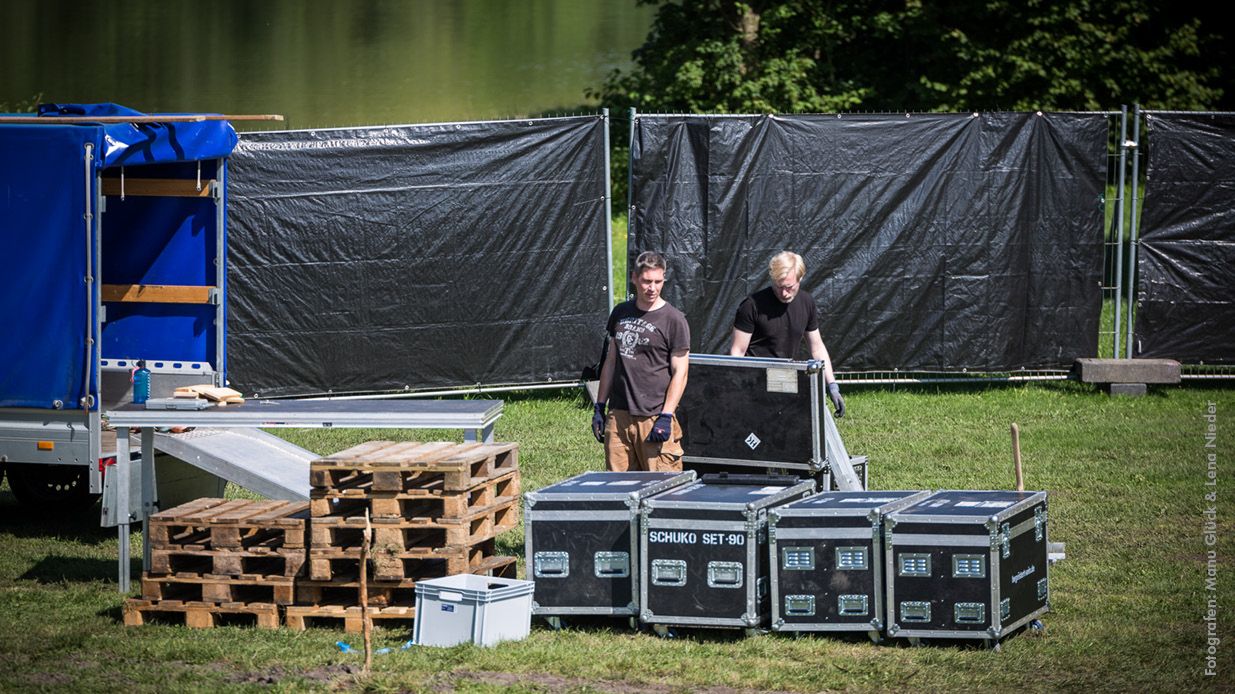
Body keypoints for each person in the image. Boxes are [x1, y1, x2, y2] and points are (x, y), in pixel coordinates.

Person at [591, 251, 690, 471]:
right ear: (634, 278)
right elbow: (611, 361)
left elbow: (681, 372)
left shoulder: (674, 319)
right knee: (618, 485)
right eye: (646, 281)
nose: (652, 288)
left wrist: (666, 415)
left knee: (662, 486)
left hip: (654, 416)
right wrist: (600, 406)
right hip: (619, 415)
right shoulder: (620, 312)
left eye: (658, 281)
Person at [729, 251, 846, 417]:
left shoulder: (807, 303)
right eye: (779, 287)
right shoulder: (751, 305)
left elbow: (817, 348)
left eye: (789, 287)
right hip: (755, 383)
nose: (784, 293)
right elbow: (737, 352)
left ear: (800, 278)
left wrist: (832, 386)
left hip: (786, 380)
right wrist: (738, 388)